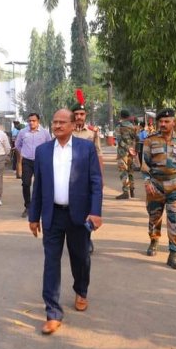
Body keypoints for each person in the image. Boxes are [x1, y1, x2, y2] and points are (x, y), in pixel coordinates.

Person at [28, 109, 103, 335]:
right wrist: (34, 216)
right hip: (52, 215)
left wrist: (95, 211)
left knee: (80, 257)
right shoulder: (42, 151)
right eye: (55, 121)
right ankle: (52, 312)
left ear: (72, 125)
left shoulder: (85, 148)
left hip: (79, 215)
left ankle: (81, 290)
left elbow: (95, 182)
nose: (58, 125)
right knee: (51, 262)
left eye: (62, 122)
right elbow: (38, 187)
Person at [142, 109, 176, 269]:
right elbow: (145, 164)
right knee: (154, 217)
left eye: (166, 121)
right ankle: (154, 240)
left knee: (174, 221)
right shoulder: (150, 140)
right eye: (160, 121)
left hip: (175, 185)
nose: (162, 124)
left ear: (173, 122)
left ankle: (174, 254)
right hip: (155, 185)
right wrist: (147, 181)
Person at [72, 100, 104, 255]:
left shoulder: (92, 133)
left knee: (87, 209)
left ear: (85, 115)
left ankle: (86, 238)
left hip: (86, 177)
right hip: (70, 177)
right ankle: (74, 238)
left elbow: (98, 154)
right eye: (76, 114)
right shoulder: (67, 131)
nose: (79, 116)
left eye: (81, 114)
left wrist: (100, 177)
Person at [15, 113, 51, 218]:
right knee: (26, 183)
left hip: (41, 162)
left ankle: (40, 207)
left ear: (38, 121)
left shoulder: (44, 133)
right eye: (29, 120)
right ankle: (28, 206)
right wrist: (23, 153)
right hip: (27, 161)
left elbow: (50, 146)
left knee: (40, 184)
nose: (31, 122)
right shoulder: (23, 132)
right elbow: (17, 145)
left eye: (34, 120)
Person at [115, 109, 137, 199]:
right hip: (131, 152)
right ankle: (132, 190)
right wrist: (132, 148)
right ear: (128, 116)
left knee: (123, 172)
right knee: (130, 171)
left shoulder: (119, 127)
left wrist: (127, 148)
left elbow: (119, 141)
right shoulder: (133, 126)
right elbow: (136, 138)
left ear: (121, 116)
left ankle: (125, 192)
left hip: (122, 152)